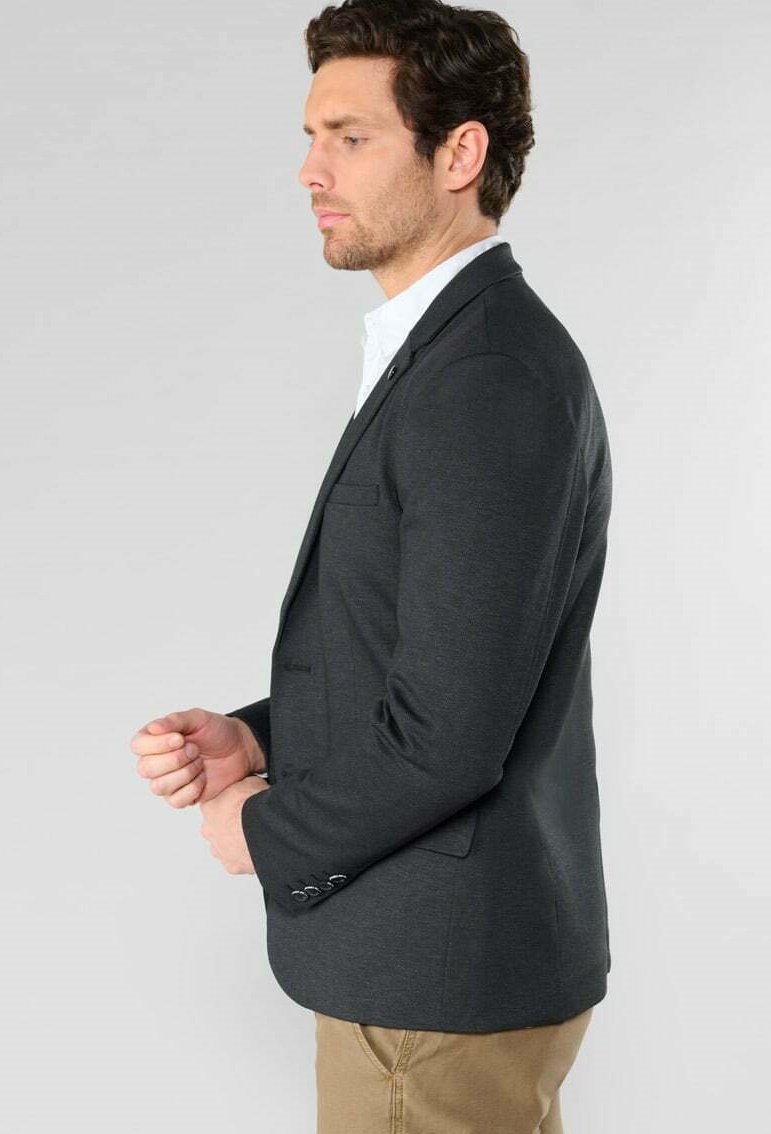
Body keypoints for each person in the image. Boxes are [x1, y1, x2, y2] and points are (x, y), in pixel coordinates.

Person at [130, 3, 613, 1130]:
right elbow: (435, 661)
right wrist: (261, 738)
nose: (310, 171)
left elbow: (448, 737)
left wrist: (261, 830)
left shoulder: (483, 379)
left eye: (350, 138)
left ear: (459, 153)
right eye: (311, 137)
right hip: (434, 979)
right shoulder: (453, 353)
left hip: (429, 996)